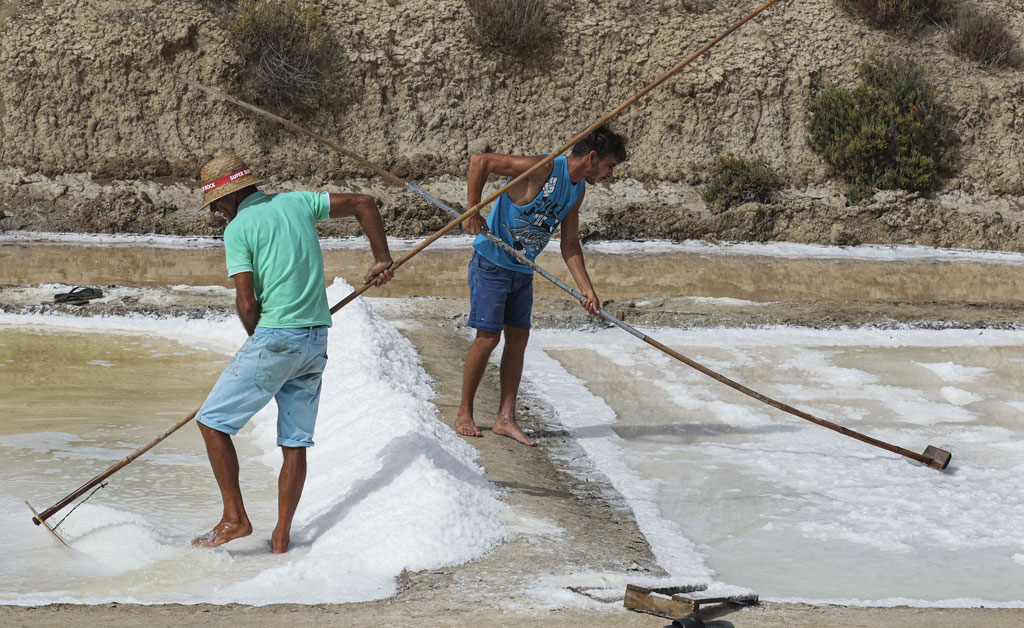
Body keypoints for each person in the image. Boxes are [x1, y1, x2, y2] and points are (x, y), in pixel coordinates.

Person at [191, 152, 394, 553]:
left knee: (212, 423)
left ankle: (235, 519)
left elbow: (247, 303)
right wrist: (382, 258)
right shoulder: (297, 202)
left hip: (278, 338)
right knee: (294, 441)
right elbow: (364, 202)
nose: (215, 211)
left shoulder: (238, 229)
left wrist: (257, 342)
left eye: (215, 202)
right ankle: (281, 537)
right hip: (316, 338)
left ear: (229, 196)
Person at [458, 125, 627, 446]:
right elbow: (481, 161)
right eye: (610, 166)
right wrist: (473, 210)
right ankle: (464, 411)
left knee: (518, 338)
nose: (610, 174)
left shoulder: (577, 190)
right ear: (592, 157)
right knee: (488, 338)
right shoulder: (544, 168)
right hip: (492, 262)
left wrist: (587, 289)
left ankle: (505, 418)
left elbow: (570, 244)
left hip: (523, 269)